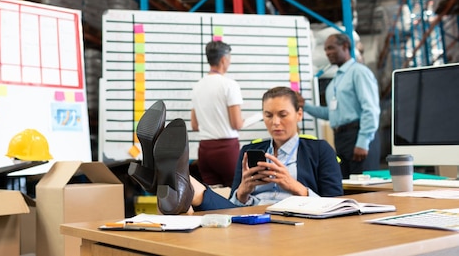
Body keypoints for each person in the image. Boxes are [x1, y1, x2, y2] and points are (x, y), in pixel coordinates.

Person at [130, 86, 343, 214]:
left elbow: (337, 205)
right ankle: (159, 173)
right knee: (191, 192)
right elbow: (232, 201)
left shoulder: (319, 149)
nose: (275, 122)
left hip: (293, 216)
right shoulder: (251, 150)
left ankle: (154, 175)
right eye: (268, 115)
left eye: (282, 114)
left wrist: (294, 186)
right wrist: (243, 190)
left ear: (299, 114)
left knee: (187, 197)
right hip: (247, 214)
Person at [304, 33, 381, 179]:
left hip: (358, 135)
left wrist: (363, 141)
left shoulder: (359, 72)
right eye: (326, 49)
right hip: (341, 139)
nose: (327, 53)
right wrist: (305, 106)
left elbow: (370, 108)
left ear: (345, 46)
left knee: (366, 189)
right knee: (346, 186)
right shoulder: (334, 82)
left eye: (331, 48)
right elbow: (331, 113)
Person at [190, 40, 243, 187]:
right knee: (236, 193)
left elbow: (194, 125)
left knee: (214, 197)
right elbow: (236, 124)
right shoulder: (229, 85)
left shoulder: (197, 86)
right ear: (224, 59)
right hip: (226, 150)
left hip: (205, 151)